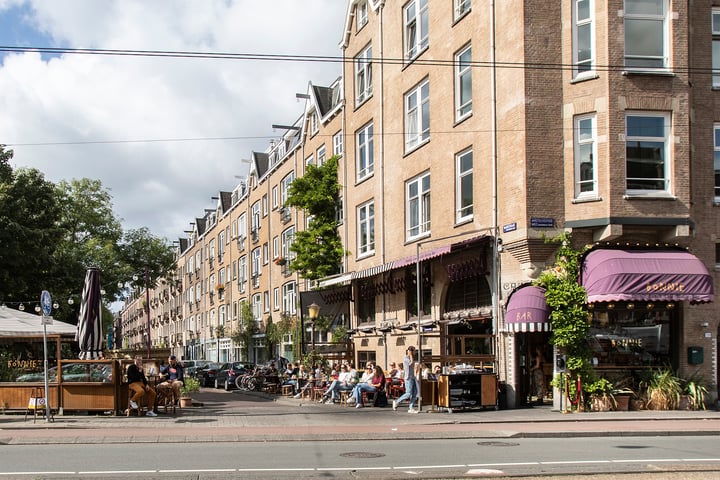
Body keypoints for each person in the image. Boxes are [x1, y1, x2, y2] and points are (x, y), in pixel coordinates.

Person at [393, 346, 419, 413]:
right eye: (414, 351)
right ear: (411, 351)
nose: (415, 352)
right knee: (408, 393)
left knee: (414, 393)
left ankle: (411, 407)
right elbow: (411, 363)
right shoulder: (406, 358)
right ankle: (397, 401)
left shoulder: (410, 357)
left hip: (412, 377)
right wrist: (410, 355)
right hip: (408, 378)